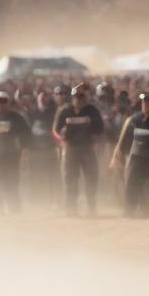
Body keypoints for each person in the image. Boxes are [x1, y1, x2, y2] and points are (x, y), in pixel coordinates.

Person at [110, 92, 149, 217]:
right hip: (136, 158)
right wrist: (118, 154)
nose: (146, 105)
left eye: (148, 102)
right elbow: (123, 138)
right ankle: (129, 211)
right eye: (144, 102)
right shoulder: (134, 119)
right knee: (131, 184)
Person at [52, 83, 105, 215]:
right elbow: (55, 129)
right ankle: (71, 208)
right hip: (70, 149)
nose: (79, 99)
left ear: (85, 97)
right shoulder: (64, 111)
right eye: (76, 96)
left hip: (87, 148)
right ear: (72, 97)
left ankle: (91, 206)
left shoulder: (92, 111)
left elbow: (100, 128)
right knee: (70, 179)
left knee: (91, 178)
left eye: (81, 96)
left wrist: (95, 138)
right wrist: (61, 138)